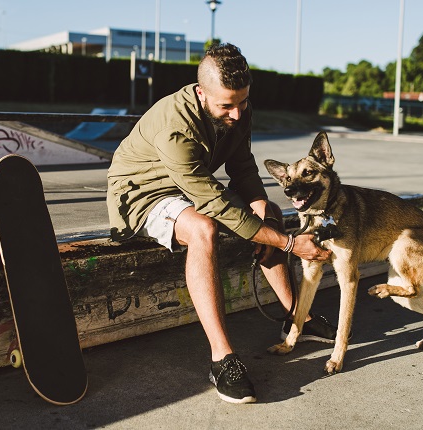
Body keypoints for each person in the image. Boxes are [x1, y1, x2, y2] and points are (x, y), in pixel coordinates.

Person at [106, 43, 335, 404]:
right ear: (201, 93)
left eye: (243, 102)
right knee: (203, 228)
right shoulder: (175, 126)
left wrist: (260, 206)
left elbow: (241, 166)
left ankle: (296, 317)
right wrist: (288, 243)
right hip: (142, 194)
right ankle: (221, 358)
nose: (238, 113)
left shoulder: (237, 109)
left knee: (270, 211)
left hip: (190, 188)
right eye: (226, 105)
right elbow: (211, 201)